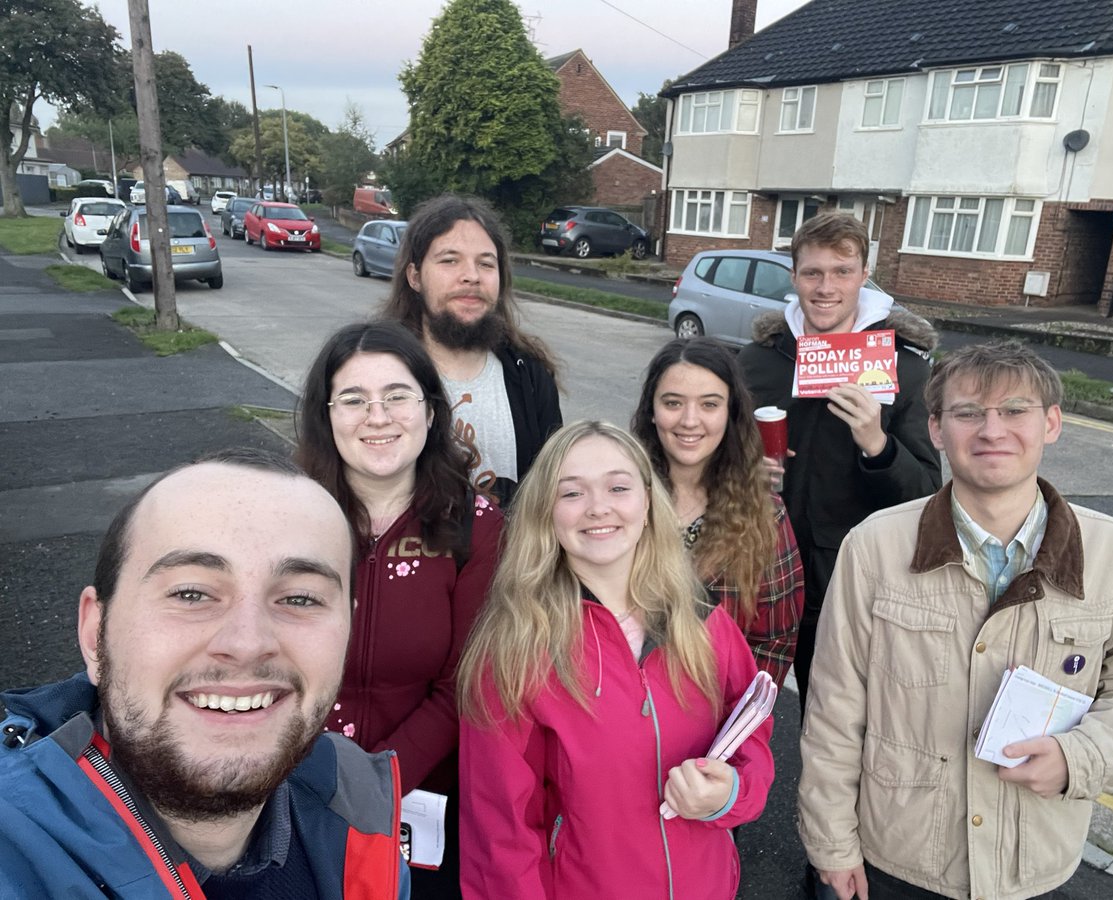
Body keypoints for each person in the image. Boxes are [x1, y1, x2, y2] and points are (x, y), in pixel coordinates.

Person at [798, 342, 1113, 900]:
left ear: (1052, 423)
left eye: (1015, 410)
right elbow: (834, 709)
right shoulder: (874, 548)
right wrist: (831, 844)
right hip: (901, 860)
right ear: (935, 428)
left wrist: (1084, 756)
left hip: (1036, 862)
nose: (991, 430)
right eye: (968, 412)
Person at [0, 448, 411, 899]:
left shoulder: (358, 812)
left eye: (300, 599)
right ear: (95, 633)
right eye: (192, 593)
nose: (246, 643)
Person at [457, 421, 775, 900]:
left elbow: (750, 736)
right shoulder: (515, 651)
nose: (598, 507)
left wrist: (729, 793)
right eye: (572, 493)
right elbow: (501, 833)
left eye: (618, 487)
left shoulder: (702, 623)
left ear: (647, 504)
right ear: (547, 513)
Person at [296, 320, 503, 899]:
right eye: (354, 399)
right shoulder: (284, 517)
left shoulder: (477, 525)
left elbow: (466, 686)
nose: (377, 416)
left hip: (424, 801)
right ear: (327, 414)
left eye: (396, 396)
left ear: (431, 411)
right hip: (291, 784)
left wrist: (373, 786)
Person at [738, 211, 943, 706]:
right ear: (793, 277)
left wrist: (878, 443)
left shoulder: (905, 369)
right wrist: (742, 470)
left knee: (831, 717)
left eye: (841, 272)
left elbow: (925, 494)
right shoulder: (757, 361)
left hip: (846, 579)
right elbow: (704, 463)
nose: (825, 286)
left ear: (864, 275)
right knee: (733, 708)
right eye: (812, 272)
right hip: (755, 567)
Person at [631, 336, 803, 687]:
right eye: (673, 402)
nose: (690, 420)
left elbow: (775, 639)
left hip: (713, 720)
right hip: (617, 713)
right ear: (652, 409)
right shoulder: (620, 497)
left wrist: (733, 721)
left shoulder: (762, 511)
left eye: (709, 405)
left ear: (730, 413)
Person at [383, 193, 563, 507]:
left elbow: (552, 491)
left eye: (486, 263)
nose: (472, 276)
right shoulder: (379, 372)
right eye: (450, 260)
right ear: (414, 276)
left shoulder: (530, 375)